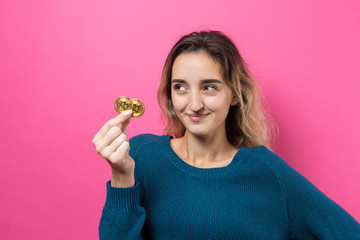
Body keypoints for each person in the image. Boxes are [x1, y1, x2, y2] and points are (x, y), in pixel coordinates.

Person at [93, 31, 360, 239]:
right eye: (181, 87)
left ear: (233, 94)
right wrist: (121, 175)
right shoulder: (141, 156)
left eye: (209, 87)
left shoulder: (267, 171)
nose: (194, 104)